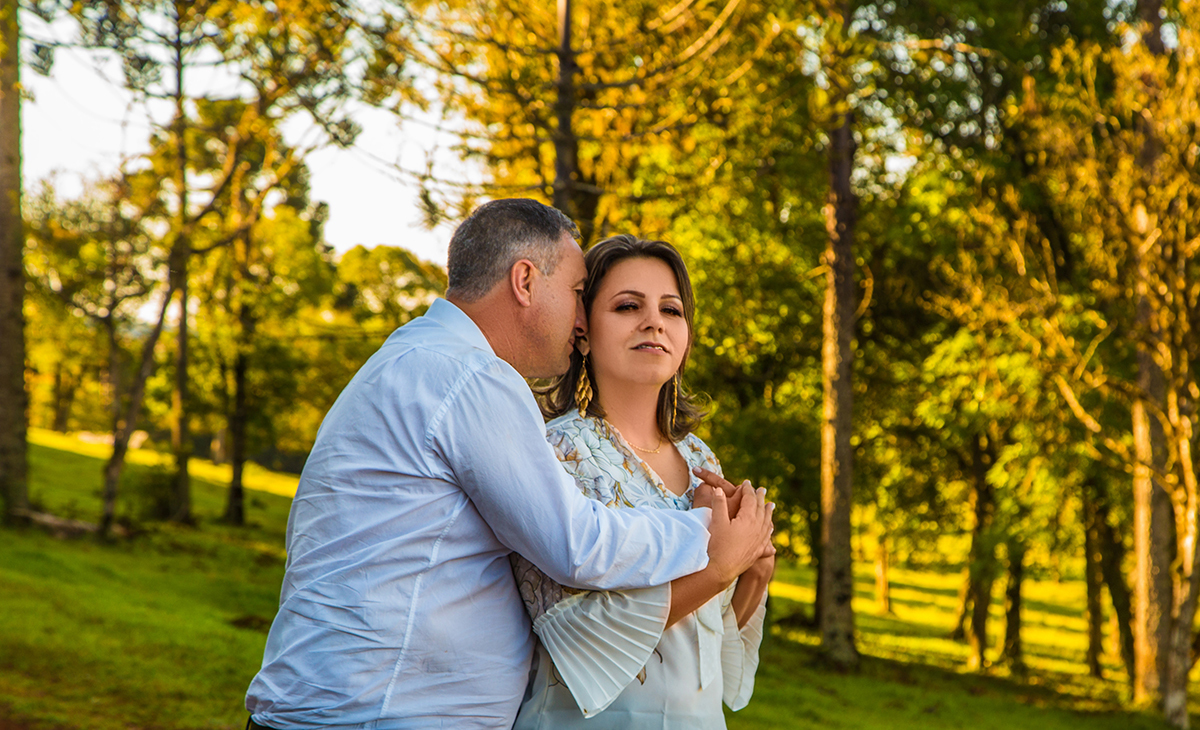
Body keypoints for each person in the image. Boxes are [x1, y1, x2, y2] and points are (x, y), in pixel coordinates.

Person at [243, 199, 773, 730]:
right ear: (524, 281)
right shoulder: (472, 380)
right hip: (375, 713)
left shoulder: (420, 359)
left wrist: (749, 567)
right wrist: (714, 541)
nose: (578, 316)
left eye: (672, 309)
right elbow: (577, 547)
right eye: (577, 295)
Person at [510, 235, 775, 729]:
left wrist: (754, 568)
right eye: (629, 305)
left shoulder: (700, 457)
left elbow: (703, 650)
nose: (653, 321)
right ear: (583, 330)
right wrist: (719, 569)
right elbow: (576, 639)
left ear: (686, 337)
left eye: (671, 310)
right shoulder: (553, 454)